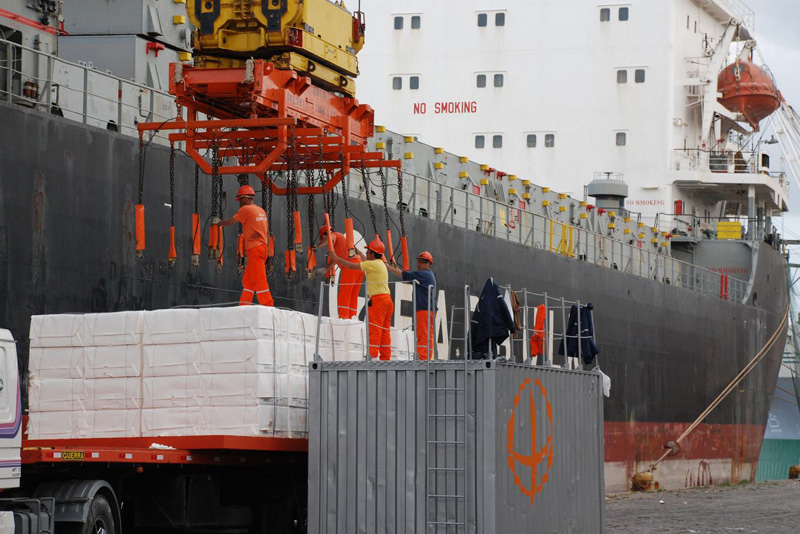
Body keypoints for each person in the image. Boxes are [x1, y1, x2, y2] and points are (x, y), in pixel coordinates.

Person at [329, 239, 393, 360]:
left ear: (373, 254)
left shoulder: (372, 264)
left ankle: (372, 356)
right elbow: (366, 261)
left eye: (368, 251)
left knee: (375, 329)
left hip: (378, 300)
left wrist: (335, 257)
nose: (367, 253)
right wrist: (358, 251)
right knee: (385, 331)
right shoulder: (379, 264)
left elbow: (350, 265)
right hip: (387, 300)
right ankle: (385, 357)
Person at [217, 185, 274, 306]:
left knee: (260, 279)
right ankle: (244, 305)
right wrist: (268, 252)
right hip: (263, 248)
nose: (240, 203)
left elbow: (230, 222)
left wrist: (219, 223)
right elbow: (267, 233)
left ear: (244, 198)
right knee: (248, 281)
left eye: (240, 200)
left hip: (254, 248)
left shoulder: (245, 210)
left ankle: (268, 305)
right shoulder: (261, 211)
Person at [387, 251, 437, 360]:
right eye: (419, 261)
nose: (419, 264)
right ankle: (424, 357)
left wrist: (389, 268)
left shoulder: (424, 274)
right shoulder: (424, 275)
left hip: (425, 310)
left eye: (422, 262)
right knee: (424, 335)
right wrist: (396, 269)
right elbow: (406, 275)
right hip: (426, 310)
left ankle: (423, 359)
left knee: (423, 336)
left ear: (429, 264)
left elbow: (405, 275)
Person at [315, 224, 364, 319]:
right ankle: (352, 317)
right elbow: (335, 259)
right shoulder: (339, 242)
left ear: (325, 235)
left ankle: (344, 317)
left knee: (344, 295)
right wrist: (326, 269)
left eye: (322, 238)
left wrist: (318, 246)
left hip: (350, 267)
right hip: (359, 266)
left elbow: (331, 238)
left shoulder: (335, 235)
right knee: (353, 295)